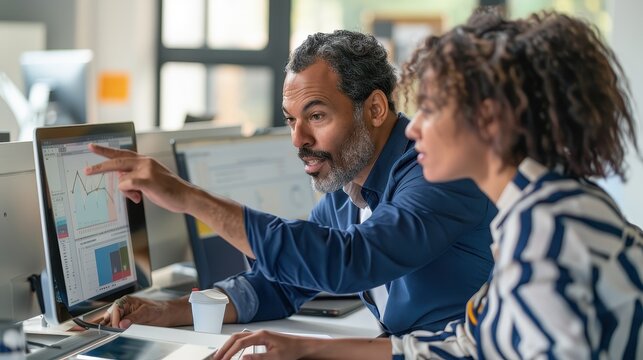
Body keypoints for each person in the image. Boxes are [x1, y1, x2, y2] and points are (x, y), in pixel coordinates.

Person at [211, 9, 643, 360]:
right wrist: (310, 350)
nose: (414, 130)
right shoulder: (534, 214)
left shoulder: (549, 230)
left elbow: (354, 259)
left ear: (487, 120)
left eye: (432, 110)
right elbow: (468, 345)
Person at [86, 30, 495, 335]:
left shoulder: (438, 171)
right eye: (290, 120)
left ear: (374, 108)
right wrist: (171, 311)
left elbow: (348, 262)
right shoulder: (347, 188)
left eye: (316, 116)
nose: (298, 140)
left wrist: (190, 198)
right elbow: (280, 283)